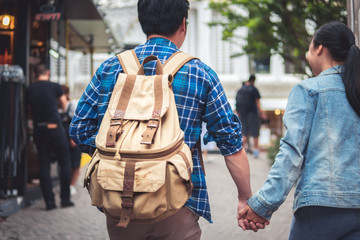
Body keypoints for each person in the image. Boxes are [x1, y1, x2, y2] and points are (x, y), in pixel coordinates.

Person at [69, 0, 254, 239]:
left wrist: (120, 157)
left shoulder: (110, 68)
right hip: (178, 202)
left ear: (142, 22)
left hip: (118, 204)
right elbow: (231, 142)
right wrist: (245, 198)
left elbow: (79, 128)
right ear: (183, 24)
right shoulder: (199, 72)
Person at [238, 21, 360, 239]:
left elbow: (291, 153)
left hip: (320, 211)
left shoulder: (309, 90)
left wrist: (263, 204)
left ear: (319, 48)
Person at [26, 64, 74, 210]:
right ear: (48, 73)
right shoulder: (55, 87)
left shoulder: (30, 89)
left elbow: (29, 111)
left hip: (39, 130)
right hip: (55, 129)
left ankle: (49, 202)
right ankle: (65, 200)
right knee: (65, 162)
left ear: (34, 74)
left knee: (44, 165)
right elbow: (64, 106)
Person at [235, 74, 266, 158]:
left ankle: (238, 152)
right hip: (252, 114)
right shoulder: (254, 89)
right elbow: (257, 103)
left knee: (244, 133)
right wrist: (262, 114)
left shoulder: (240, 90)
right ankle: (256, 152)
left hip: (242, 114)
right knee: (255, 133)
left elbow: (237, 104)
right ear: (253, 80)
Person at [59, 85, 81, 196]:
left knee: (76, 164)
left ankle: (71, 185)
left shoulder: (72, 105)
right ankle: (66, 185)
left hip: (71, 138)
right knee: (66, 163)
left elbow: (76, 122)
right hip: (62, 139)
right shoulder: (57, 106)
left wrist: (73, 139)